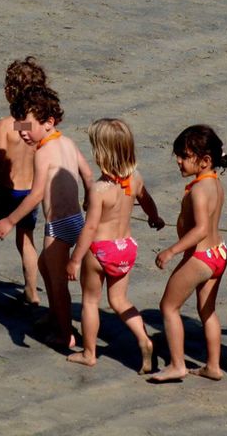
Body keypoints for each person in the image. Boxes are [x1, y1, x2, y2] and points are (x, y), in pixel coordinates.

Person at [0, 85, 93, 349]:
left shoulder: (43, 153)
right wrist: (90, 198)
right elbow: (88, 175)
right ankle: (54, 316)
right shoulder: (68, 142)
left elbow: (36, 196)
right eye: (19, 126)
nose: (22, 132)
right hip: (77, 221)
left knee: (57, 285)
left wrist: (9, 221)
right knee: (46, 267)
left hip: (57, 226)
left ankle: (65, 332)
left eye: (28, 126)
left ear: (48, 123)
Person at [65, 118, 165, 371]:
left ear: (101, 154)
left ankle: (89, 353)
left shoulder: (99, 189)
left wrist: (75, 259)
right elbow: (147, 200)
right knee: (119, 300)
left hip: (100, 250)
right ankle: (143, 338)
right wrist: (154, 218)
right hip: (125, 247)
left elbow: (89, 228)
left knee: (90, 301)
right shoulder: (136, 178)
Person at [148, 125, 227, 383]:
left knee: (168, 306)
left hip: (200, 257)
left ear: (205, 160)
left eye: (184, 156)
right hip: (219, 253)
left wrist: (172, 251)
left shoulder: (198, 190)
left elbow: (200, 230)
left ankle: (177, 364)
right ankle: (213, 366)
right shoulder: (214, 184)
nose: (179, 160)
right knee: (207, 311)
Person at [0, 57, 47, 304]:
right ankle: (32, 290)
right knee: (26, 239)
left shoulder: (5, 125)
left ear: (9, 92)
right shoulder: (40, 126)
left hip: (8, 191)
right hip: (31, 192)